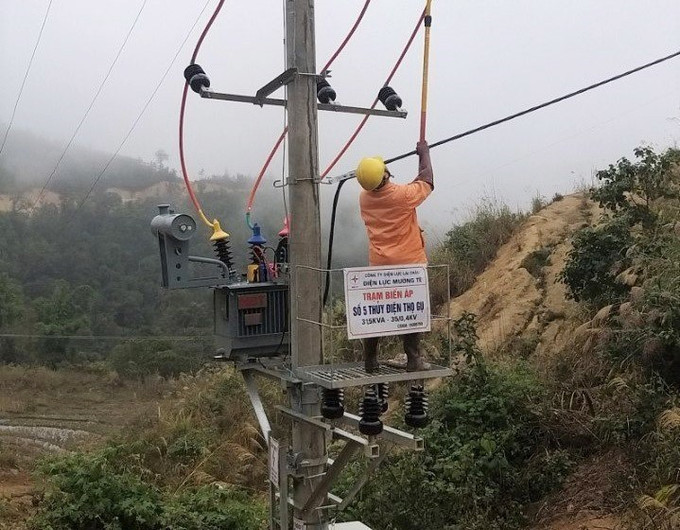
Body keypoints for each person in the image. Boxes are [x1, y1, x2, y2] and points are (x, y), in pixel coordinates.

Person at [355, 141, 434, 372]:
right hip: (409, 264)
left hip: (380, 264)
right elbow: (427, 181)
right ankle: (414, 359)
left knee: (378, 310)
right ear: (385, 175)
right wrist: (425, 153)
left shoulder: (364, 198)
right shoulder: (402, 196)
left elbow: (417, 184)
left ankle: (370, 360)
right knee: (410, 309)